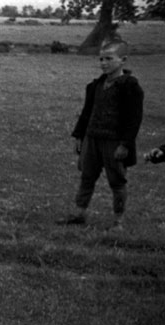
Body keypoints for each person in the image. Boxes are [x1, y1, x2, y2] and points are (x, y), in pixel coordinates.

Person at [58, 40, 144, 231]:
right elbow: (86, 112)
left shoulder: (129, 86)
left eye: (109, 59)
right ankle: (79, 213)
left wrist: (125, 144)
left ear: (123, 60)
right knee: (87, 176)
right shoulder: (96, 85)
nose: (104, 63)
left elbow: (134, 119)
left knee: (117, 180)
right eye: (101, 59)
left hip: (114, 141)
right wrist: (79, 136)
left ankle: (118, 221)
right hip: (92, 138)